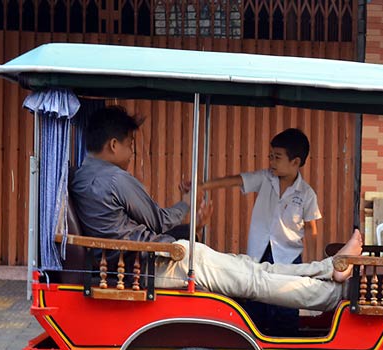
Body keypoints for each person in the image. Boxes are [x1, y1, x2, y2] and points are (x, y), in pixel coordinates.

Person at [69, 106, 361, 313]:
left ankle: (330, 267)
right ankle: (335, 294)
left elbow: (139, 228)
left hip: (152, 260)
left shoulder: (84, 175)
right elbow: (158, 221)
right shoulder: (114, 178)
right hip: (156, 265)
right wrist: (186, 201)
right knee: (252, 279)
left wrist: (192, 227)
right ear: (113, 144)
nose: (132, 153)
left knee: (251, 268)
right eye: (131, 145)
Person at [200, 128, 320, 335]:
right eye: (270, 156)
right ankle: (253, 346)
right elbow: (236, 180)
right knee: (254, 304)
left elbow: (312, 229)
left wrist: (308, 265)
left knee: (285, 305)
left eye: (277, 157)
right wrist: (202, 185)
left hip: (289, 258)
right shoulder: (265, 178)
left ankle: (285, 348)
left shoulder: (307, 194)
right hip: (260, 253)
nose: (271, 162)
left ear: (295, 162)